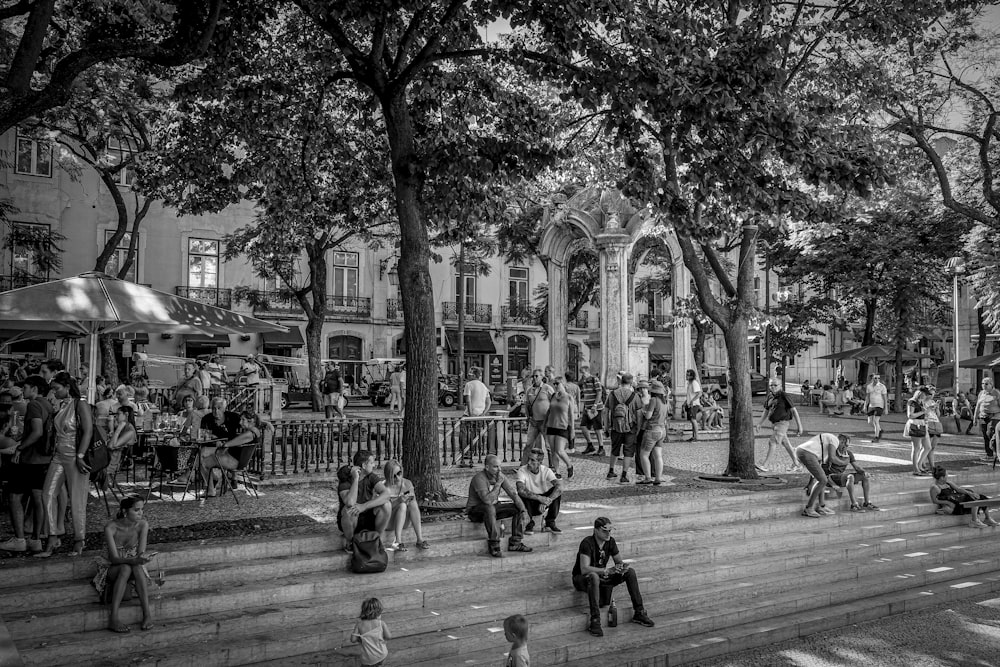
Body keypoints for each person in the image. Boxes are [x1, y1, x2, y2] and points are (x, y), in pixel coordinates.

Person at [38, 372, 93, 557]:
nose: (54, 392)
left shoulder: (80, 403)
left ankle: (79, 539)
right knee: (47, 494)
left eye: (57, 389)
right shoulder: (61, 405)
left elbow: (88, 431)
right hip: (59, 455)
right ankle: (52, 535)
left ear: (67, 387)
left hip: (75, 455)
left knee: (77, 500)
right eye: (53, 389)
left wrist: (80, 455)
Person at [572, 516, 655, 637]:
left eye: (610, 531)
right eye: (604, 531)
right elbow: (584, 569)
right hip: (582, 579)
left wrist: (622, 568)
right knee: (593, 576)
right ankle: (595, 621)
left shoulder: (610, 541)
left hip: (602, 576)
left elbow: (618, 562)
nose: (608, 533)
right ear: (596, 530)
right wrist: (606, 571)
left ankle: (639, 612)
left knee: (630, 572)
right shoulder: (587, 543)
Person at [0, 376, 52, 553]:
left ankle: (20, 539)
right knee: (38, 498)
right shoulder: (49, 404)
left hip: (30, 459)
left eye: (27, 387)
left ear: (35, 388)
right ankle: (36, 539)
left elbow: (37, 432)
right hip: (44, 459)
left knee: (15, 497)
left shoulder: (34, 405)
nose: (24, 391)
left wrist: (20, 448)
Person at [91, 496, 155, 633]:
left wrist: (143, 558)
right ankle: (113, 618)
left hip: (133, 565)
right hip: (111, 567)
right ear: (125, 511)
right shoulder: (111, 527)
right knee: (125, 568)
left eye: (142, 509)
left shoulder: (143, 525)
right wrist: (133, 560)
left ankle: (147, 614)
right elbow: (113, 559)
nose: (141, 513)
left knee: (136, 568)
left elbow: (140, 553)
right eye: (136, 510)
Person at [467, 454, 532, 558]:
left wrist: (524, 511)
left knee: (518, 507)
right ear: (487, 467)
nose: (499, 469)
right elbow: (487, 500)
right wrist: (498, 484)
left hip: (493, 509)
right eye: (495, 467)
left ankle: (515, 543)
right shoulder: (479, 478)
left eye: (500, 466)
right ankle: (494, 545)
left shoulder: (500, 476)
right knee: (489, 507)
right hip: (475, 511)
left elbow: (513, 494)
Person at [198, 411, 264, 497]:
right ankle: (212, 480)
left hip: (233, 461)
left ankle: (211, 488)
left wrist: (222, 444)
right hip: (234, 458)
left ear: (251, 421)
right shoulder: (255, 431)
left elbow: (227, 444)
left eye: (243, 420)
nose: (240, 422)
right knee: (203, 453)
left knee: (203, 463)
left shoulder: (249, 434)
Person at [338, 450, 392, 548]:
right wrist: (355, 479)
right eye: (371, 463)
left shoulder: (371, 477)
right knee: (349, 510)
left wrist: (364, 506)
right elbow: (350, 502)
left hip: (368, 517)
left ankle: (377, 538)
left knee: (386, 505)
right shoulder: (345, 481)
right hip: (352, 521)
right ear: (364, 465)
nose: (374, 465)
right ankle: (350, 542)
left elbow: (386, 494)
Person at [795, 432, 850, 518]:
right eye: (845, 445)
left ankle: (821, 506)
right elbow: (832, 458)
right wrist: (844, 462)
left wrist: (810, 484)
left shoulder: (824, 447)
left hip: (803, 451)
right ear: (842, 441)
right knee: (823, 480)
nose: (844, 448)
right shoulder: (834, 440)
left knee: (822, 479)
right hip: (806, 452)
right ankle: (808, 509)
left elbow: (818, 469)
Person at [756, 379, 804, 473]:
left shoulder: (784, 396)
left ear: (780, 385)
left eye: (775, 385)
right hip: (774, 424)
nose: (773, 387)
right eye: (771, 385)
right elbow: (766, 411)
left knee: (772, 442)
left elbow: (794, 410)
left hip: (782, 423)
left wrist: (800, 426)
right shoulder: (770, 396)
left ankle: (765, 465)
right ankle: (797, 464)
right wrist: (760, 423)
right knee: (786, 444)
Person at [929, 465, 999, 528]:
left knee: (981, 497)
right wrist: (947, 502)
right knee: (973, 501)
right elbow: (934, 500)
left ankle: (987, 518)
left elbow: (959, 489)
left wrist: (970, 493)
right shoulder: (935, 488)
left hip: (959, 499)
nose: (947, 476)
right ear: (941, 478)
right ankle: (974, 521)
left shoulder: (948, 483)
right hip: (956, 506)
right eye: (946, 475)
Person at [823, 435, 879, 512]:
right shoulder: (831, 453)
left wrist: (864, 472)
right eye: (843, 443)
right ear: (838, 443)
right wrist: (833, 484)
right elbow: (823, 472)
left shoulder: (848, 453)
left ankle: (867, 503)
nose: (845, 446)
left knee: (864, 477)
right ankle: (854, 505)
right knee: (850, 477)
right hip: (831, 478)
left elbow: (857, 468)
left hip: (841, 477)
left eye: (847, 444)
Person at [382, 460, 429, 551]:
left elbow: (412, 503)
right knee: (402, 505)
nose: (398, 478)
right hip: (388, 522)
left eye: (399, 473)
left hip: (403, 520)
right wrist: (398, 501)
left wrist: (407, 499)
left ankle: (420, 539)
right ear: (388, 476)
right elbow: (382, 510)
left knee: (412, 503)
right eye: (394, 476)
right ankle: (398, 541)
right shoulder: (383, 487)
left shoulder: (407, 483)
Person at [516, 448, 563, 535]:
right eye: (528, 459)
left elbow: (559, 487)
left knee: (556, 491)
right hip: (529, 503)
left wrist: (547, 501)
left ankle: (550, 522)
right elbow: (521, 490)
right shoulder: (522, 470)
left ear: (540, 463)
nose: (529, 462)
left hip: (542, 504)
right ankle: (529, 523)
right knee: (522, 493)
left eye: (532, 460)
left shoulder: (546, 470)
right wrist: (540, 498)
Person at [604, 372, 640, 484]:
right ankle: (624, 475)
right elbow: (638, 414)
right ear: (631, 383)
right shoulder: (635, 396)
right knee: (628, 451)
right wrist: (638, 428)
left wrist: (606, 427)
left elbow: (606, 412)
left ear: (621, 381)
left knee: (615, 448)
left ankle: (611, 471)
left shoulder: (612, 394)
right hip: (630, 428)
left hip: (615, 426)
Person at [520, 369, 554, 466]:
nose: (534, 378)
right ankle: (523, 465)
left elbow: (554, 402)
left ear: (542, 377)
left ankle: (553, 466)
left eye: (536, 376)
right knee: (528, 445)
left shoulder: (547, 388)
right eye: (533, 376)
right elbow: (527, 404)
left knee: (548, 445)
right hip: (534, 422)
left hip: (545, 422)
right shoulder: (529, 390)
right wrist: (528, 417)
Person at [637, 380, 668, 485]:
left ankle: (648, 478)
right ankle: (658, 478)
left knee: (644, 455)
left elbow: (648, 416)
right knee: (658, 455)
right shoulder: (665, 401)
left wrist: (644, 412)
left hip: (652, 430)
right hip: (662, 430)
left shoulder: (653, 400)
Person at [544, 377, 575, 479]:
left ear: (563, 384)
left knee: (560, 450)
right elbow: (549, 410)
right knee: (553, 451)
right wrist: (545, 424)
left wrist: (572, 429)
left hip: (563, 427)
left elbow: (571, 415)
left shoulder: (569, 397)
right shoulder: (553, 396)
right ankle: (557, 472)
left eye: (557, 384)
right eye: (554, 384)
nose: (555, 386)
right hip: (551, 425)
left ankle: (569, 465)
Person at [351, 597, 391, 667]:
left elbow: (353, 639)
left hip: (367, 657)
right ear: (378, 612)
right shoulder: (381, 623)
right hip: (381, 654)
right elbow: (388, 636)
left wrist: (360, 639)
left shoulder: (359, 624)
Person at [578, 364, 606, 457]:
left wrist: (595, 405)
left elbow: (599, 392)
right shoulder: (584, 381)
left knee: (597, 428)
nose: (582, 375)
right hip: (587, 408)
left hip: (595, 408)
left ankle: (601, 448)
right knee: (583, 426)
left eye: (583, 373)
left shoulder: (595, 379)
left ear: (587, 371)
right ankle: (590, 445)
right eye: (581, 373)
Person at [905, 387, 932, 476]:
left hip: (922, 424)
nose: (925, 396)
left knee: (927, 447)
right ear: (920, 393)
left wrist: (928, 411)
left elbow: (924, 412)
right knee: (916, 448)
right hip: (915, 424)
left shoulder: (921, 402)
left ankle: (919, 465)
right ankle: (915, 469)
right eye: (924, 394)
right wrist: (922, 412)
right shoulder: (912, 402)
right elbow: (910, 415)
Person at [972, 377, 1000, 461]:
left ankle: (997, 452)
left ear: (991, 384)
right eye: (982, 384)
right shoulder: (981, 393)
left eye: (986, 384)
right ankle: (989, 455)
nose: (984, 385)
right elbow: (978, 406)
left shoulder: (996, 393)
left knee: (990, 433)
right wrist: (974, 418)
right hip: (983, 417)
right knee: (985, 435)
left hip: (994, 416)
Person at [863, 374, 888, 442]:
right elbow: (867, 397)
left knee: (876, 421)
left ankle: (876, 437)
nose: (877, 379)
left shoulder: (882, 386)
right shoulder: (869, 386)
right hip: (871, 405)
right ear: (872, 379)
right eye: (875, 378)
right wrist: (865, 406)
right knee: (870, 422)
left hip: (879, 405)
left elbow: (885, 398)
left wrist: (886, 408)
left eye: (878, 378)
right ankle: (879, 430)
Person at [924, 386, 943, 473]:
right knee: (926, 447)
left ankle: (932, 466)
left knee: (932, 447)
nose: (931, 396)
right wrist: (929, 408)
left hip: (936, 423)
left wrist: (937, 408)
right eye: (930, 394)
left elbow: (938, 414)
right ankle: (923, 464)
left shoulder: (932, 401)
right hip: (928, 423)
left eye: (933, 394)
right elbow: (922, 414)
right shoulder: (923, 402)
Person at [563, 371, 581, 452]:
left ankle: (569, 445)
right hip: (574, 407)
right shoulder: (576, 387)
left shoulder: (565, 386)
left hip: (566, 407)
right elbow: (578, 400)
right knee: (572, 427)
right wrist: (579, 411)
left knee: (568, 427)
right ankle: (572, 445)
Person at [683, 369, 702, 441]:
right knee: (692, 420)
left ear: (691, 376)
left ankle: (696, 436)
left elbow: (699, 393)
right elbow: (691, 395)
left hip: (694, 404)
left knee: (693, 420)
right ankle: (694, 436)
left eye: (688, 375)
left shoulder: (694, 383)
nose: (686, 376)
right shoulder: (689, 383)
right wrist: (686, 402)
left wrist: (692, 401)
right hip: (690, 404)